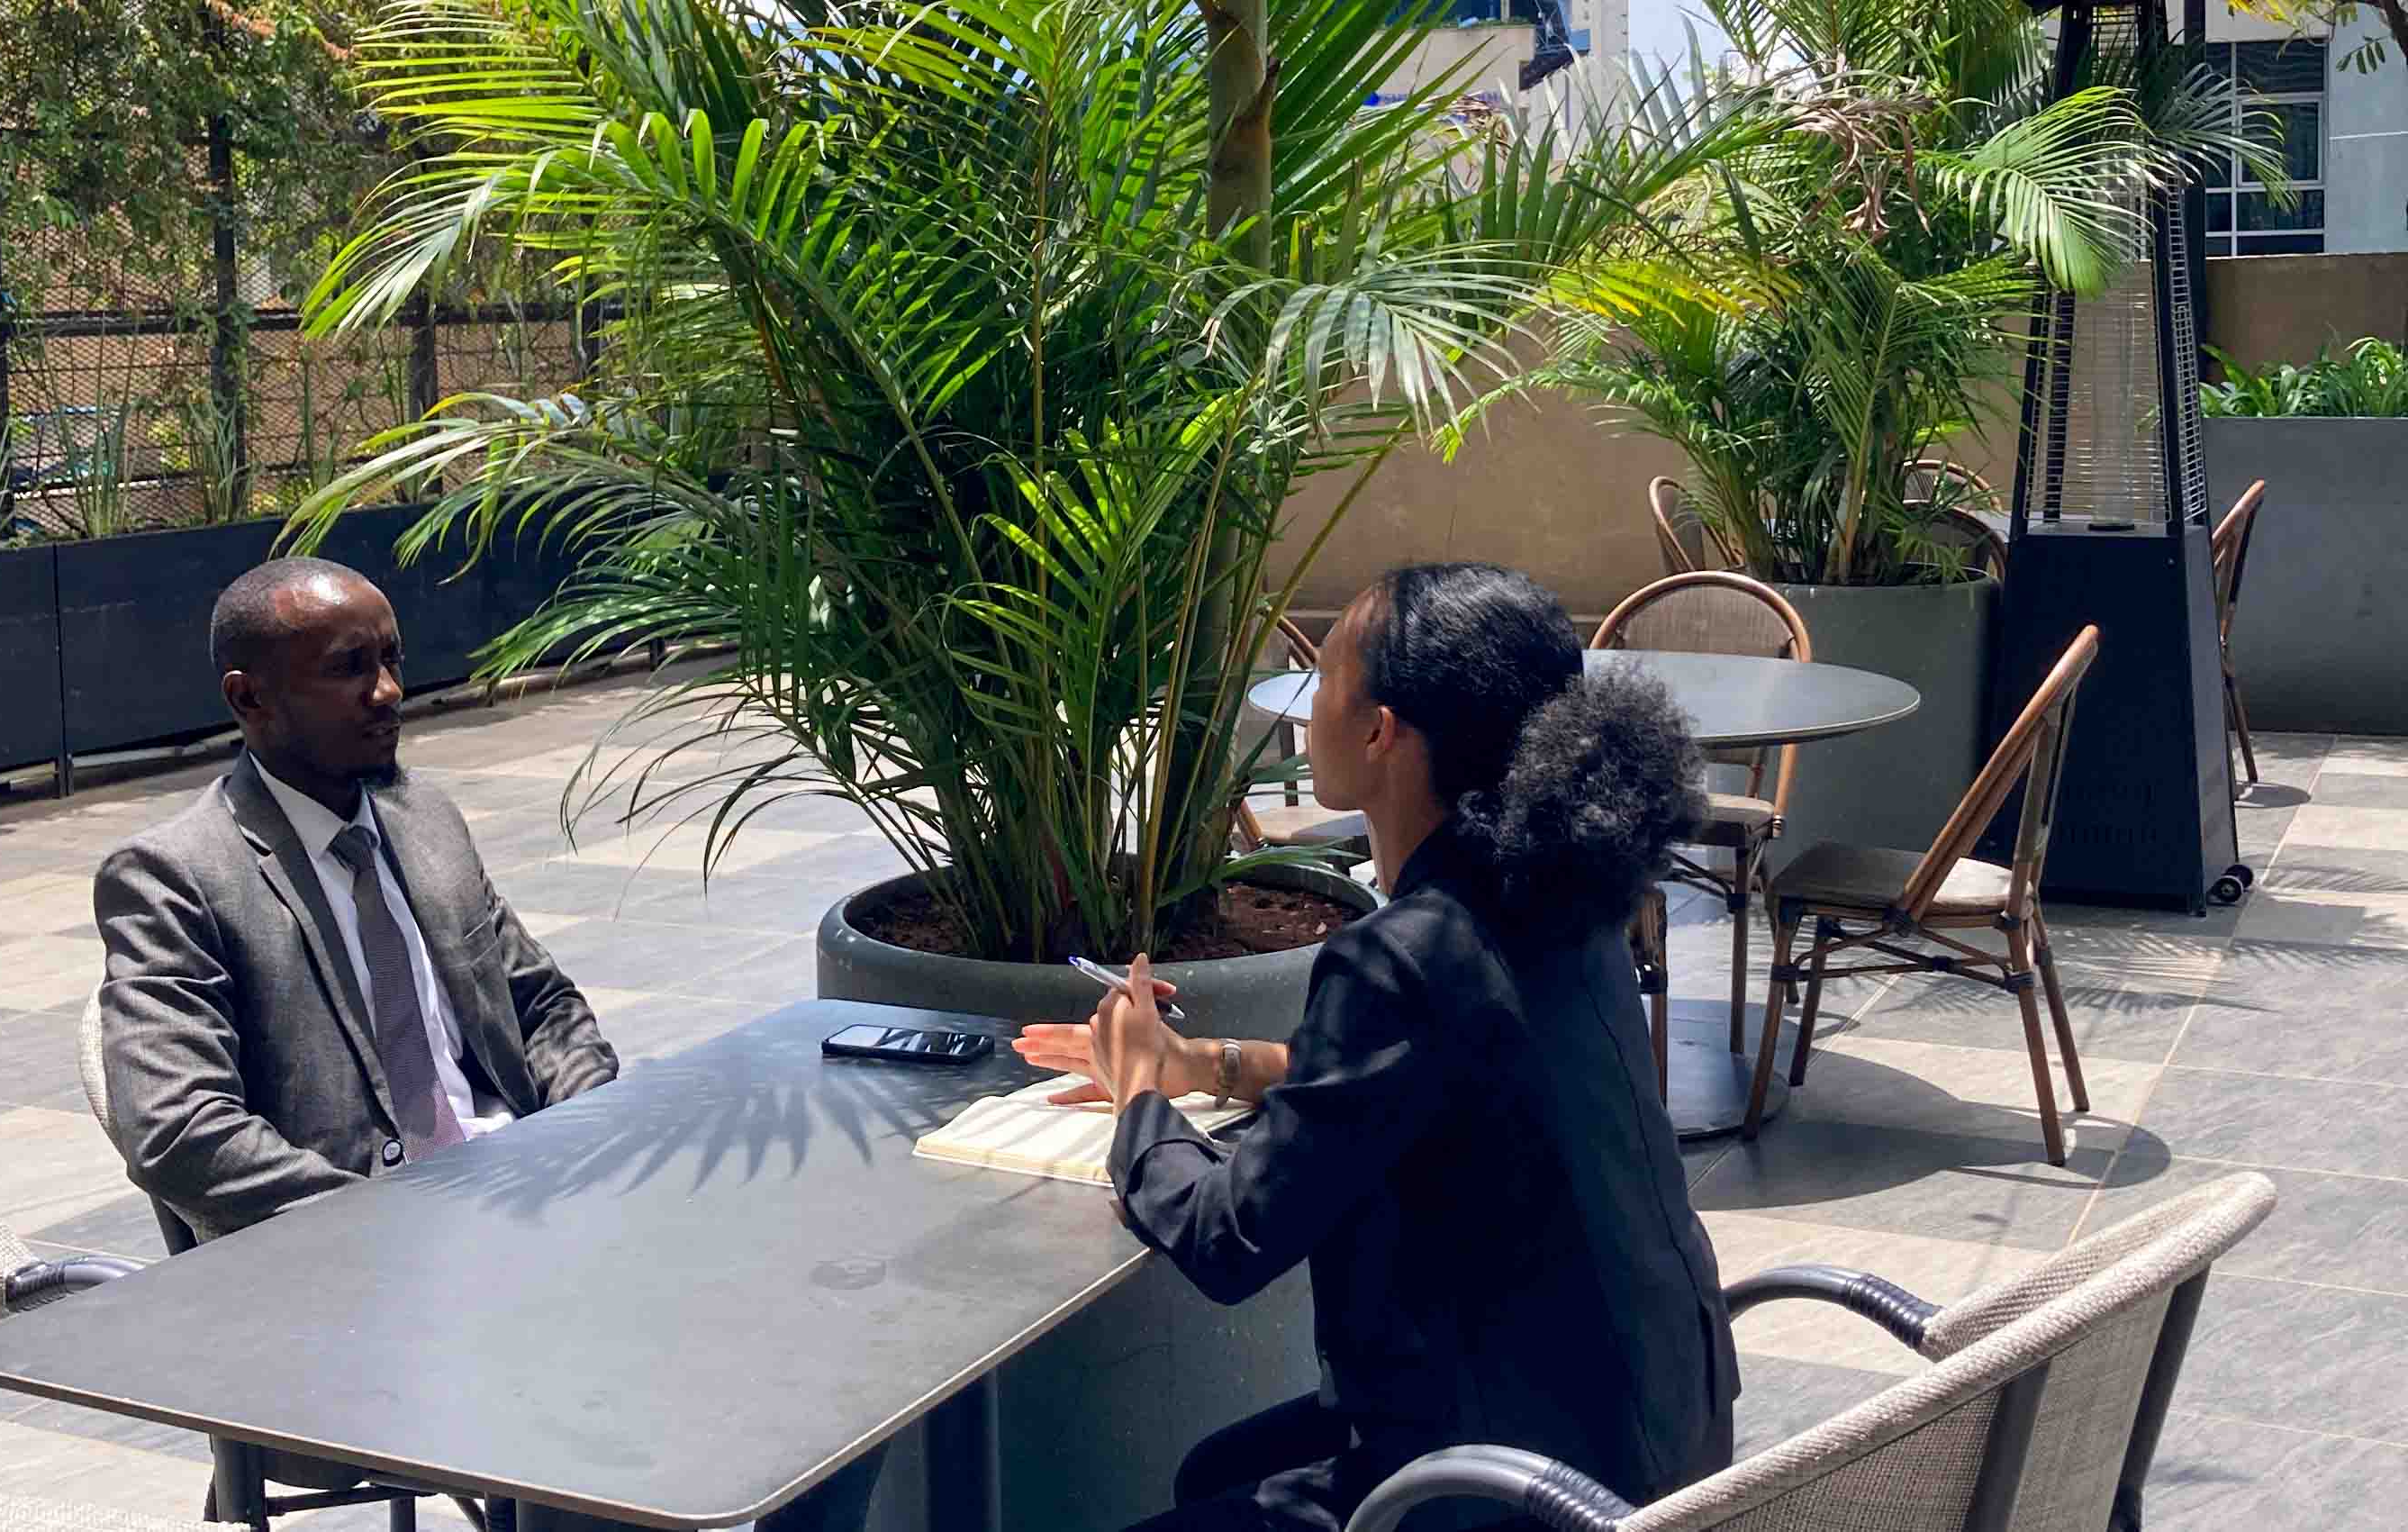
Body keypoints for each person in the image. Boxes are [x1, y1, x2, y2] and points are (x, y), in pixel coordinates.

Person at [93, 556, 879, 1532]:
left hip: (527, 1207)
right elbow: (175, 1129)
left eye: (392, 660)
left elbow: (545, 1006)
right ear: (249, 698)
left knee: (840, 1327)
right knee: (609, 1399)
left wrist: (582, 1139)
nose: (389, 694)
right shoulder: (177, 877)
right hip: (350, 1282)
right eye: (349, 669)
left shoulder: (422, 820)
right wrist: (404, 1219)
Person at [1017, 564, 1738, 1532]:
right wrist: (1211, 1065)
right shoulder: (1568, 903)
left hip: (1507, 1489)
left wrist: (1143, 1092)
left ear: (1380, 731)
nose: (1308, 707)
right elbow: (1441, 1085)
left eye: (1326, 682)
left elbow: (1232, 1237)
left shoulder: (1404, 956)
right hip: (1648, 1441)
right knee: (1218, 1469)